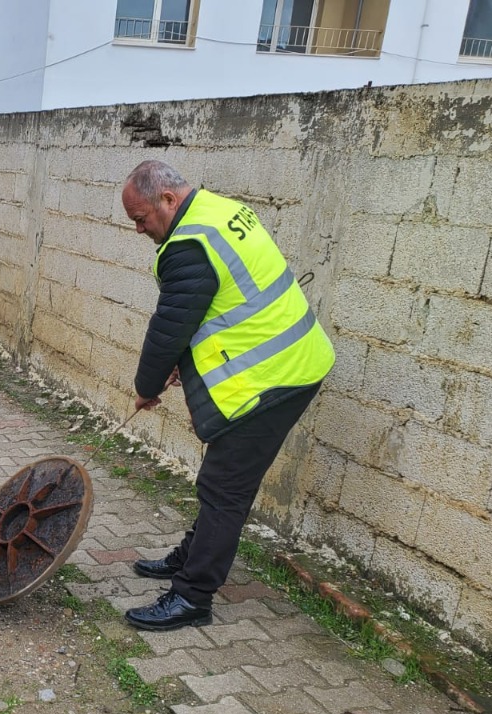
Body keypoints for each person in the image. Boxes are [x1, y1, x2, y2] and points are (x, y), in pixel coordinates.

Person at [119, 160, 335, 631]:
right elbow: (222, 308)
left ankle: (192, 596)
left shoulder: (189, 245)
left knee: (224, 490)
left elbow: (168, 330)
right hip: (290, 362)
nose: (139, 229)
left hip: (278, 378)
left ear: (168, 201)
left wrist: (146, 389)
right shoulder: (217, 210)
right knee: (222, 480)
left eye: (141, 218)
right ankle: (189, 558)